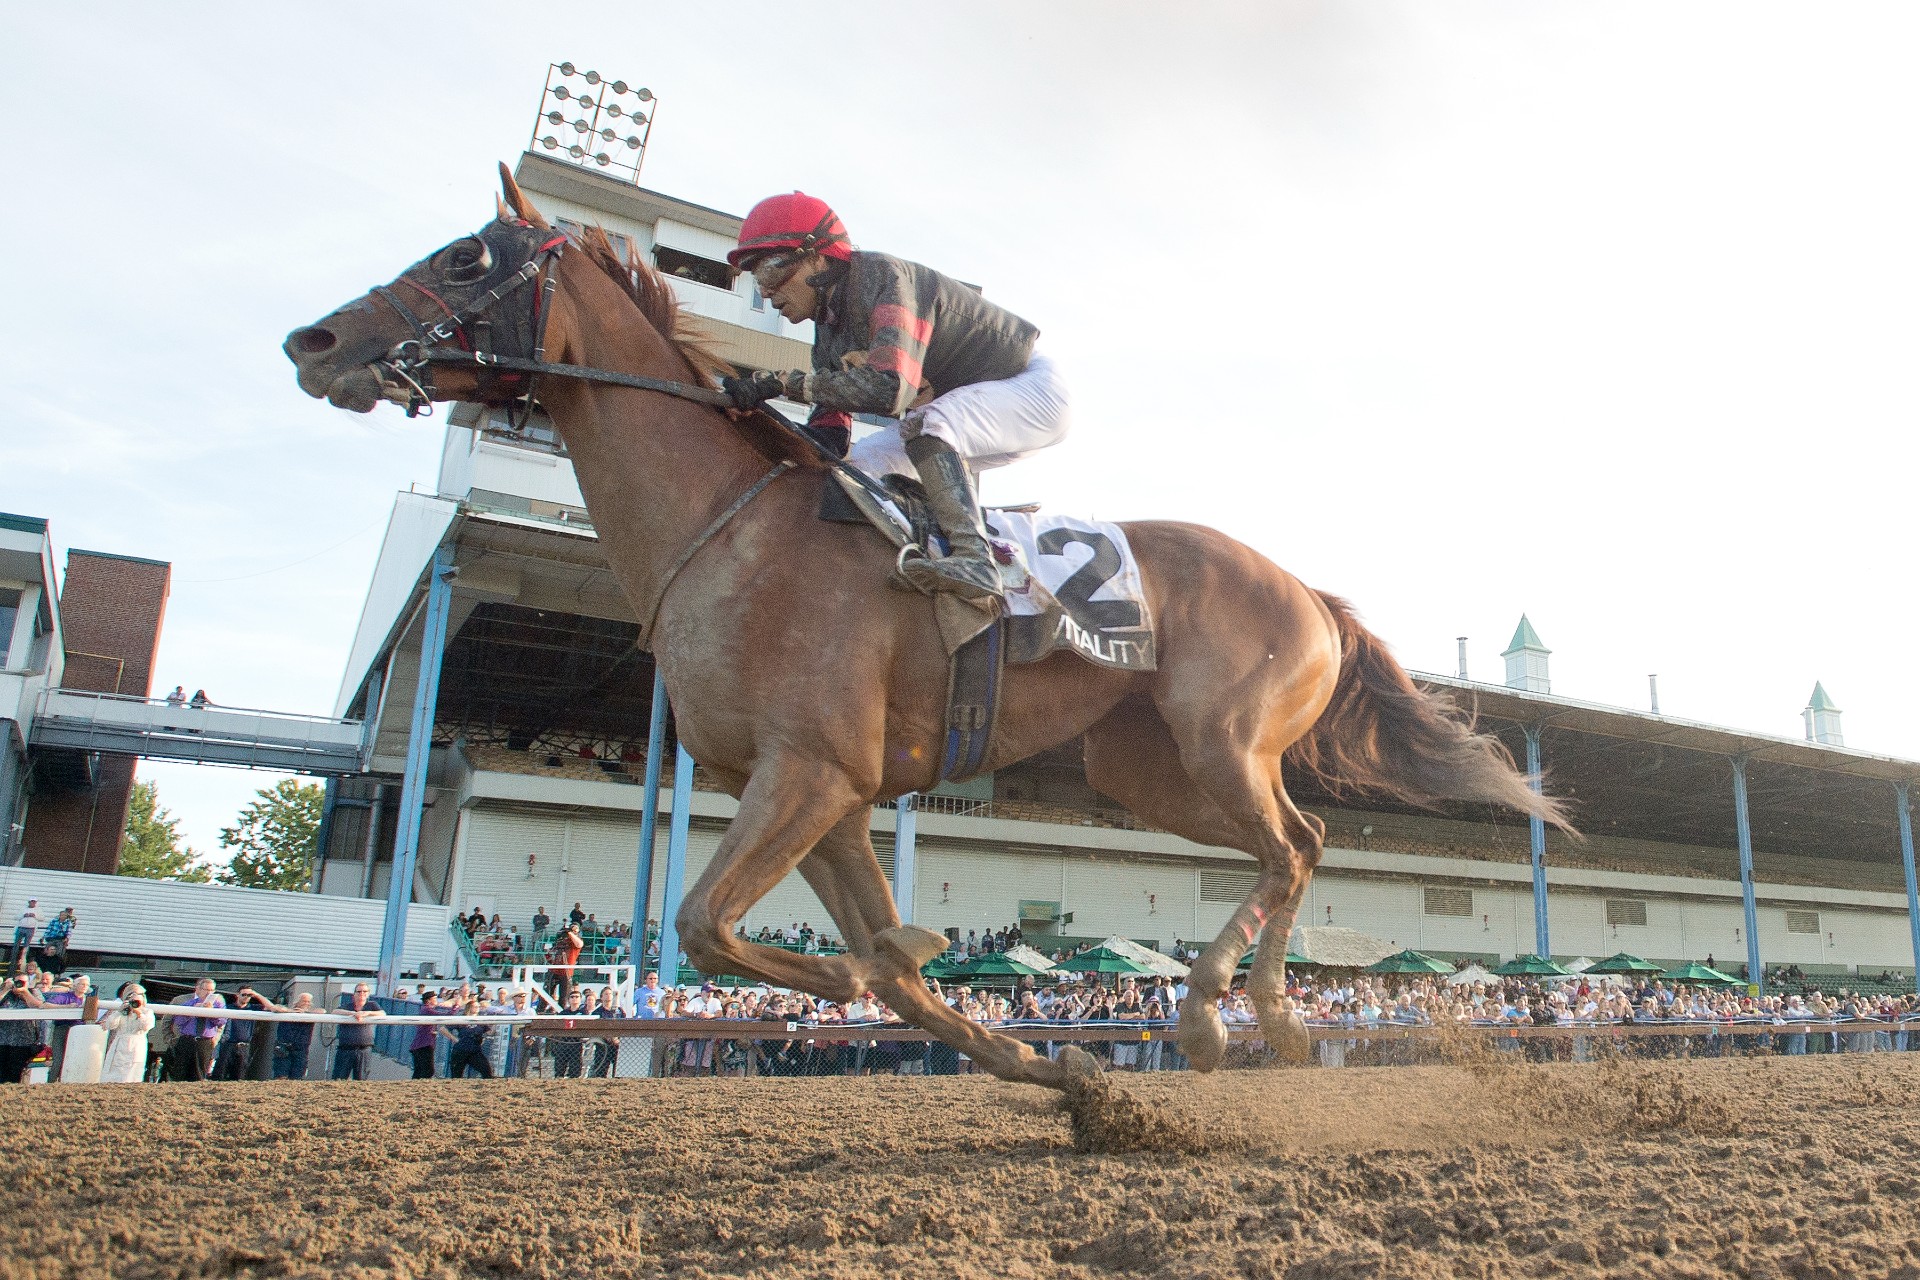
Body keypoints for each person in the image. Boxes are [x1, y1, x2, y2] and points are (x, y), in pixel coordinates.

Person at [721, 192, 1069, 602]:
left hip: (1031, 387)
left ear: (818, 258)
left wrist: (782, 383)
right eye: (756, 279)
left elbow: (890, 389)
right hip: (975, 403)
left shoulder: (882, 278)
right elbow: (829, 440)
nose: (767, 294)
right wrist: (759, 428)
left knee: (929, 425)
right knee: (858, 469)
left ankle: (975, 560)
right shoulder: (828, 334)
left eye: (770, 273)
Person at [101, 985, 157, 1083]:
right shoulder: (122, 1011)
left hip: (136, 1044)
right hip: (119, 1044)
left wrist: (138, 1012)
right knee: (113, 1072)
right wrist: (120, 1012)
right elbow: (110, 1025)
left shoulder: (147, 1012)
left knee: (132, 1073)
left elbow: (147, 1026)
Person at [331, 982, 383, 1080]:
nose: (361, 993)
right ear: (354, 994)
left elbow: (382, 1014)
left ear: (368, 993)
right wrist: (353, 1013)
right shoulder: (347, 1006)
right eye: (359, 991)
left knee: (361, 1081)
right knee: (338, 1079)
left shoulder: (372, 1005)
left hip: (364, 1049)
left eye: (364, 991)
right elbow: (335, 1011)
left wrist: (366, 1013)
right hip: (345, 1049)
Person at [0, 974, 45, 1083]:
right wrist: (6, 989)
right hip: (3, 1038)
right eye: (18, 982)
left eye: (23, 982)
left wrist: (25, 992)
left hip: (23, 1040)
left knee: (15, 1070)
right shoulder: (6, 993)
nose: (19, 984)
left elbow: (38, 1005)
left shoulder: (34, 992)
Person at [443, 999, 493, 1078]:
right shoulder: (462, 1019)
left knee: (486, 1071)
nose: (477, 1008)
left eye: (478, 1007)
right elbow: (443, 1029)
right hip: (461, 1050)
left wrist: (495, 1025)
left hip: (475, 1051)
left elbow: (489, 1032)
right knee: (456, 1076)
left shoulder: (481, 1020)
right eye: (475, 1006)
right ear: (469, 1007)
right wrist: (454, 1039)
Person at [274, 992, 317, 1079]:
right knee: (280, 1077)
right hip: (284, 1048)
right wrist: (293, 1012)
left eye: (308, 1002)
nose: (306, 1004)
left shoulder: (311, 1015)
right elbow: (276, 1008)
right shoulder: (286, 1013)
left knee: (297, 1078)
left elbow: (323, 1011)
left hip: (301, 1050)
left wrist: (305, 1013)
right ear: (297, 1002)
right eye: (304, 1001)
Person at [12, 899, 39, 963]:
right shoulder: (23, 909)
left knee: (26, 945)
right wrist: (23, 915)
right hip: (21, 928)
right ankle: (13, 958)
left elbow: (42, 918)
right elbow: (16, 917)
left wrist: (34, 915)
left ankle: (23, 959)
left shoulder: (38, 910)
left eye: (34, 902)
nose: (33, 903)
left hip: (31, 929)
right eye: (31, 901)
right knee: (16, 944)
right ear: (29, 902)